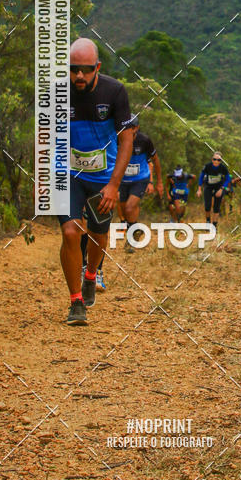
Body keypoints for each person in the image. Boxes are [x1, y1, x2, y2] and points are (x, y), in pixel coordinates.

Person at [58, 38, 134, 325]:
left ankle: (91, 274)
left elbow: (127, 139)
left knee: (98, 234)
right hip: (67, 173)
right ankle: (76, 303)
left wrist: (114, 185)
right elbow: (43, 138)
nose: (79, 75)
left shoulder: (114, 91)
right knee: (70, 232)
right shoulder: (57, 94)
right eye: (73, 69)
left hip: (103, 177)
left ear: (97, 68)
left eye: (86, 70)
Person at [118, 117, 163, 253]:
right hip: (122, 179)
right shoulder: (116, 138)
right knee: (124, 210)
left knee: (130, 207)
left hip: (140, 179)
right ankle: (135, 230)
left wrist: (157, 182)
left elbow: (155, 160)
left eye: (129, 128)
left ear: (136, 128)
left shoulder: (144, 141)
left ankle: (131, 240)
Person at [197, 152, 231, 228]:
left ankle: (214, 225)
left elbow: (228, 179)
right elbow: (201, 177)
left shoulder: (223, 168)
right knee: (207, 206)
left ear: (221, 161)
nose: (216, 161)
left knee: (216, 207)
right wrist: (199, 189)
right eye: (214, 159)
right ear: (212, 160)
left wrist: (222, 189)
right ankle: (208, 222)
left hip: (219, 187)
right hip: (208, 186)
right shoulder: (207, 166)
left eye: (218, 160)